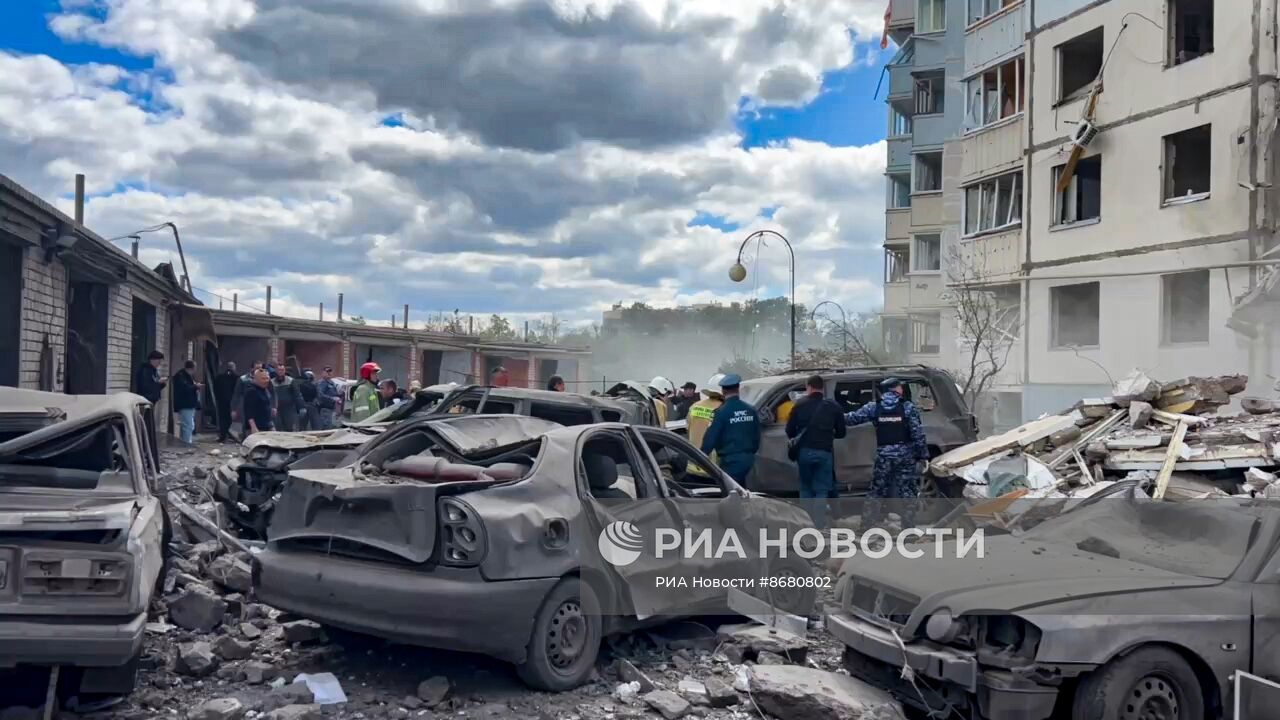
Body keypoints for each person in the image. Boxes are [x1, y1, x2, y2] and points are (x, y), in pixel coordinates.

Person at [845, 378, 929, 527]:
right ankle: (908, 529)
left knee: (877, 491)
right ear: (896, 389)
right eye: (900, 387)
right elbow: (917, 433)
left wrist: (831, 414)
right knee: (907, 492)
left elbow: (853, 419)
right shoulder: (908, 407)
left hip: (884, 456)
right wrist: (923, 455)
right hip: (905, 456)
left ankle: (866, 526)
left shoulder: (874, 407)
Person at [786, 375, 847, 529]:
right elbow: (841, 432)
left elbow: (789, 430)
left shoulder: (799, 405)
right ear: (822, 388)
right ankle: (818, 527)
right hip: (824, 453)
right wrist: (828, 434)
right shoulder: (833, 406)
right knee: (821, 491)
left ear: (809, 387)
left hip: (804, 452)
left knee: (806, 489)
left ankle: (806, 525)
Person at [699, 374, 760, 486]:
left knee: (732, 492)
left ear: (723, 391)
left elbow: (711, 437)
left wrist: (701, 455)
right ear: (738, 389)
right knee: (743, 489)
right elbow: (757, 436)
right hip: (748, 458)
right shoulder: (751, 410)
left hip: (730, 460)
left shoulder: (721, 412)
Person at [685, 374, 725, 480]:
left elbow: (688, 430)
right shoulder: (724, 408)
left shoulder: (695, 407)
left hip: (693, 465)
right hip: (714, 469)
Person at [134, 350, 166, 463]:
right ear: (153, 359)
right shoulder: (146, 371)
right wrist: (158, 383)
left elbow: (154, 385)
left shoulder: (153, 370)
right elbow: (146, 386)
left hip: (151, 401)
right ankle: (144, 450)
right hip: (145, 401)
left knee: (148, 425)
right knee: (145, 425)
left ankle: (147, 450)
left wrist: (161, 384)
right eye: (159, 361)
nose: (159, 363)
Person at [171, 360, 203, 445]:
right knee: (188, 425)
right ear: (192, 368)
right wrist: (195, 386)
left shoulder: (187, 376)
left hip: (189, 403)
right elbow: (185, 388)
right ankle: (186, 444)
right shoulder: (181, 376)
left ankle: (184, 443)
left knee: (188, 425)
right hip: (185, 404)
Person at [232, 360, 266, 438]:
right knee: (247, 425)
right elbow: (236, 394)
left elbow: (271, 392)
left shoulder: (265, 378)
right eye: (257, 368)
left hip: (260, 406)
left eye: (261, 368)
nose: (260, 370)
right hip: (246, 406)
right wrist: (234, 409)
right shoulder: (243, 379)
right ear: (251, 369)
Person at [212, 362, 239, 442]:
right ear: (234, 368)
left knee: (222, 418)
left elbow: (215, 388)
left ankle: (223, 436)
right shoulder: (237, 377)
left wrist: (218, 398)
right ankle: (231, 435)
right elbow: (238, 390)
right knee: (231, 419)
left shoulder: (219, 377)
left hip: (222, 401)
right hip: (232, 402)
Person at [243, 368, 275, 435]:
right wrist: (253, 427)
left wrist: (271, 425)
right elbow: (248, 411)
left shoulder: (265, 389)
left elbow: (267, 408)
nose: (266, 381)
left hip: (267, 426)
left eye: (267, 378)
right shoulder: (251, 391)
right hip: (256, 428)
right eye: (263, 379)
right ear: (256, 379)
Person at [272, 366, 303, 432]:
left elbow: (297, 395)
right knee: (277, 429)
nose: (280, 372)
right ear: (276, 371)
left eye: (282, 370)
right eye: (279, 370)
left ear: (285, 371)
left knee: (290, 429)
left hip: (289, 409)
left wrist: (301, 407)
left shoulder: (291, 381)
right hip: (277, 410)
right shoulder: (271, 382)